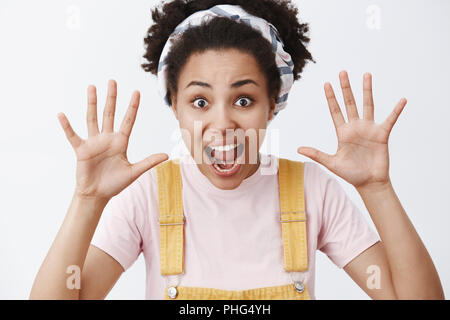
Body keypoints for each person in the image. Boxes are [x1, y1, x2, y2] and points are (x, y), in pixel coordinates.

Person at [30, 0, 444, 300]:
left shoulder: (312, 191)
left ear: (272, 105)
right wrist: (87, 201)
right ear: (174, 105)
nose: (223, 123)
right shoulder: (148, 196)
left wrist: (377, 188)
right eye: (200, 101)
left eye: (244, 100)